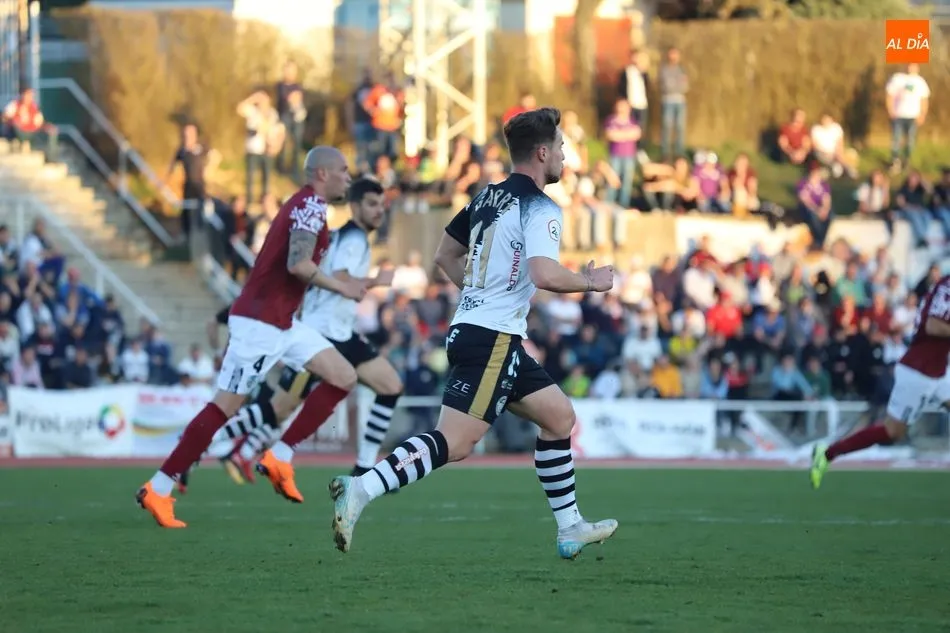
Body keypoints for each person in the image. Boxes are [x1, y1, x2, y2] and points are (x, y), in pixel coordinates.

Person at [327, 107, 619, 560]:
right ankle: (362, 487)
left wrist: (479, 292)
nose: (564, 155)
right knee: (457, 443)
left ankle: (570, 527)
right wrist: (590, 283)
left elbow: (444, 254)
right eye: (561, 147)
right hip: (494, 337)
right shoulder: (541, 206)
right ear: (542, 152)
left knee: (559, 417)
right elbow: (543, 272)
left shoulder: (486, 197)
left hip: (481, 330)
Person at [136, 146, 367, 528]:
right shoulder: (310, 206)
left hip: (281, 322)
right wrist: (342, 289)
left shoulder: (306, 205)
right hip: (260, 326)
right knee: (223, 408)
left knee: (343, 376)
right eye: (343, 170)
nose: (348, 176)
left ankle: (279, 456)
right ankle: (159, 488)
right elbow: (298, 264)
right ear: (322, 174)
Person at [202, 178, 404, 484]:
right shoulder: (355, 240)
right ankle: (208, 443)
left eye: (382, 206)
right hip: (325, 334)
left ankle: (238, 451)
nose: (379, 212)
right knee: (279, 409)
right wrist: (378, 280)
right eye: (372, 204)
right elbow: (342, 279)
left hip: (331, 331)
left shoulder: (338, 236)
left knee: (282, 409)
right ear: (354, 205)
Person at [810, 274, 950, 488]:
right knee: (892, 431)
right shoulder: (947, 285)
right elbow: (933, 325)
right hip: (919, 371)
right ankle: (828, 453)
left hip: (939, 370)